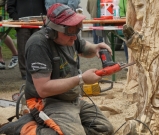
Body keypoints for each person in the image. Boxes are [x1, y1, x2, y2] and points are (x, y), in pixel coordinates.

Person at [0, 3, 113, 135]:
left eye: (77, 29)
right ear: (53, 31)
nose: (75, 36)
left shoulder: (70, 35)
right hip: (47, 101)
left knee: (104, 129)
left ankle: (59, 125)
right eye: (71, 31)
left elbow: (84, 47)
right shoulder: (38, 44)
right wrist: (81, 79)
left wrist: (96, 48)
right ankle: (25, 128)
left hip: (71, 99)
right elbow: (43, 89)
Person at [7, 0, 46, 79]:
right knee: (23, 47)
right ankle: (25, 72)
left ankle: (39, 69)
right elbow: (10, 6)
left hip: (39, 21)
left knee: (39, 47)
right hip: (22, 22)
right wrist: (15, 16)